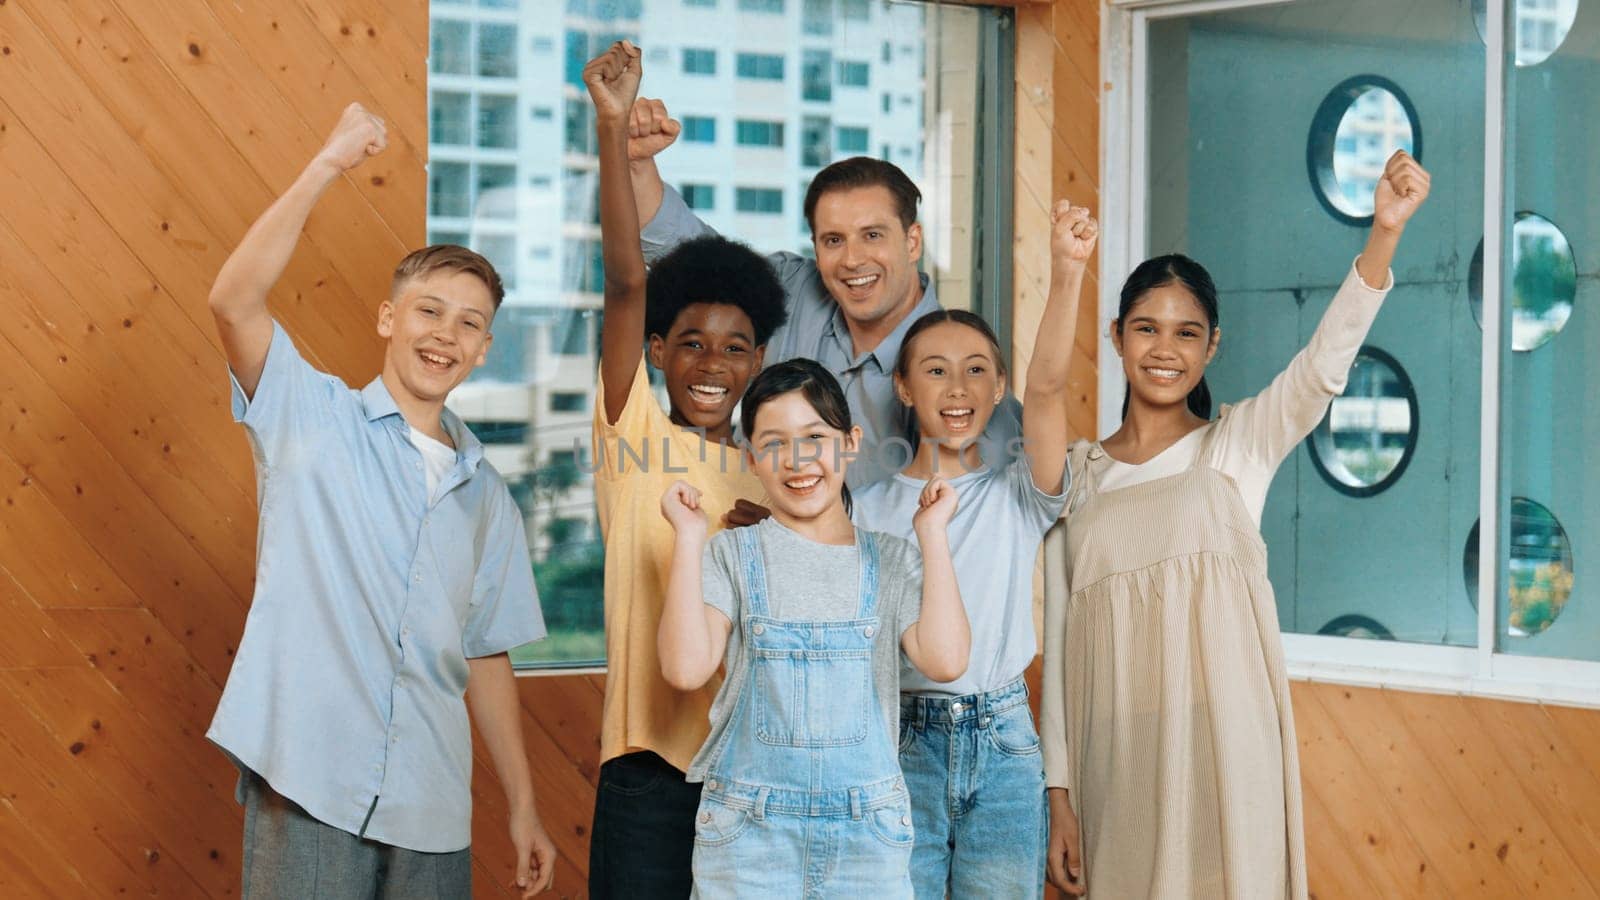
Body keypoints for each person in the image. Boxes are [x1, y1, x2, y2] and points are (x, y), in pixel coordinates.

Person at [1039, 150, 1431, 899]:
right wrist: (1058, 793)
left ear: (1211, 346)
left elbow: (1323, 369)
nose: (1164, 349)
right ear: (1118, 337)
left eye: (1187, 333)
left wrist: (1383, 234)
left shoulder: (1238, 445)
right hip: (1112, 752)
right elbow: (1059, 636)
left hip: (1223, 739)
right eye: (1147, 328)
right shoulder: (1079, 474)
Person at [204, 102, 557, 898]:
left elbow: (487, 652)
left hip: (432, 803)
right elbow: (233, 301)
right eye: (429, 311)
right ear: (389, 319)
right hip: (307, 780)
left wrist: (524, 806)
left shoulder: (487, 494)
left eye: (470, 325)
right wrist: (327, 164)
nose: (445, 335)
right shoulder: (310, 414)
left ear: (484, 350)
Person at [580, 42, 788, 899]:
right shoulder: (629, 424)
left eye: (735, 348)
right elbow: (629, 279)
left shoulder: (771, 478)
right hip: (646, 780)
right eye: (692, 343)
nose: (712, 362)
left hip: (752, 779)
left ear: (758, 361)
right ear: (659, 351)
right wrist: (612, 127)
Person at [854, 203, 1097, 899]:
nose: (957, 389)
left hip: (1006, 744)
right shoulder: (865, 513)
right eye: (934, 371)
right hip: (900, 746)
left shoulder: (1022, 493)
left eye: (976, 371)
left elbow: (1047, 388)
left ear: (997, 388)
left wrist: (1068, 270)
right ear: (903, 387)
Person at [657, 359, 970, 897]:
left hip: (866, 838)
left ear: (849, 443)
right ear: (752, 456)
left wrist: (933, 534)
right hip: (748, 837)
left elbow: (946, 660)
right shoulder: (732, 554)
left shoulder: (892, 561)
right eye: (774, 443)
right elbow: (685, 668)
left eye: (815, 437)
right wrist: (687, 538)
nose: (797, 460)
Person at [625, 99, 1021, 489]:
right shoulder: (788, 290)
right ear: (815, 247)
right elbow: (678, 249)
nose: (852, 260)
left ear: (912, 240)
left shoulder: (964, 374)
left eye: (872, 236)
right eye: (834, 240)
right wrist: (638, 165)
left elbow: (990, 520)